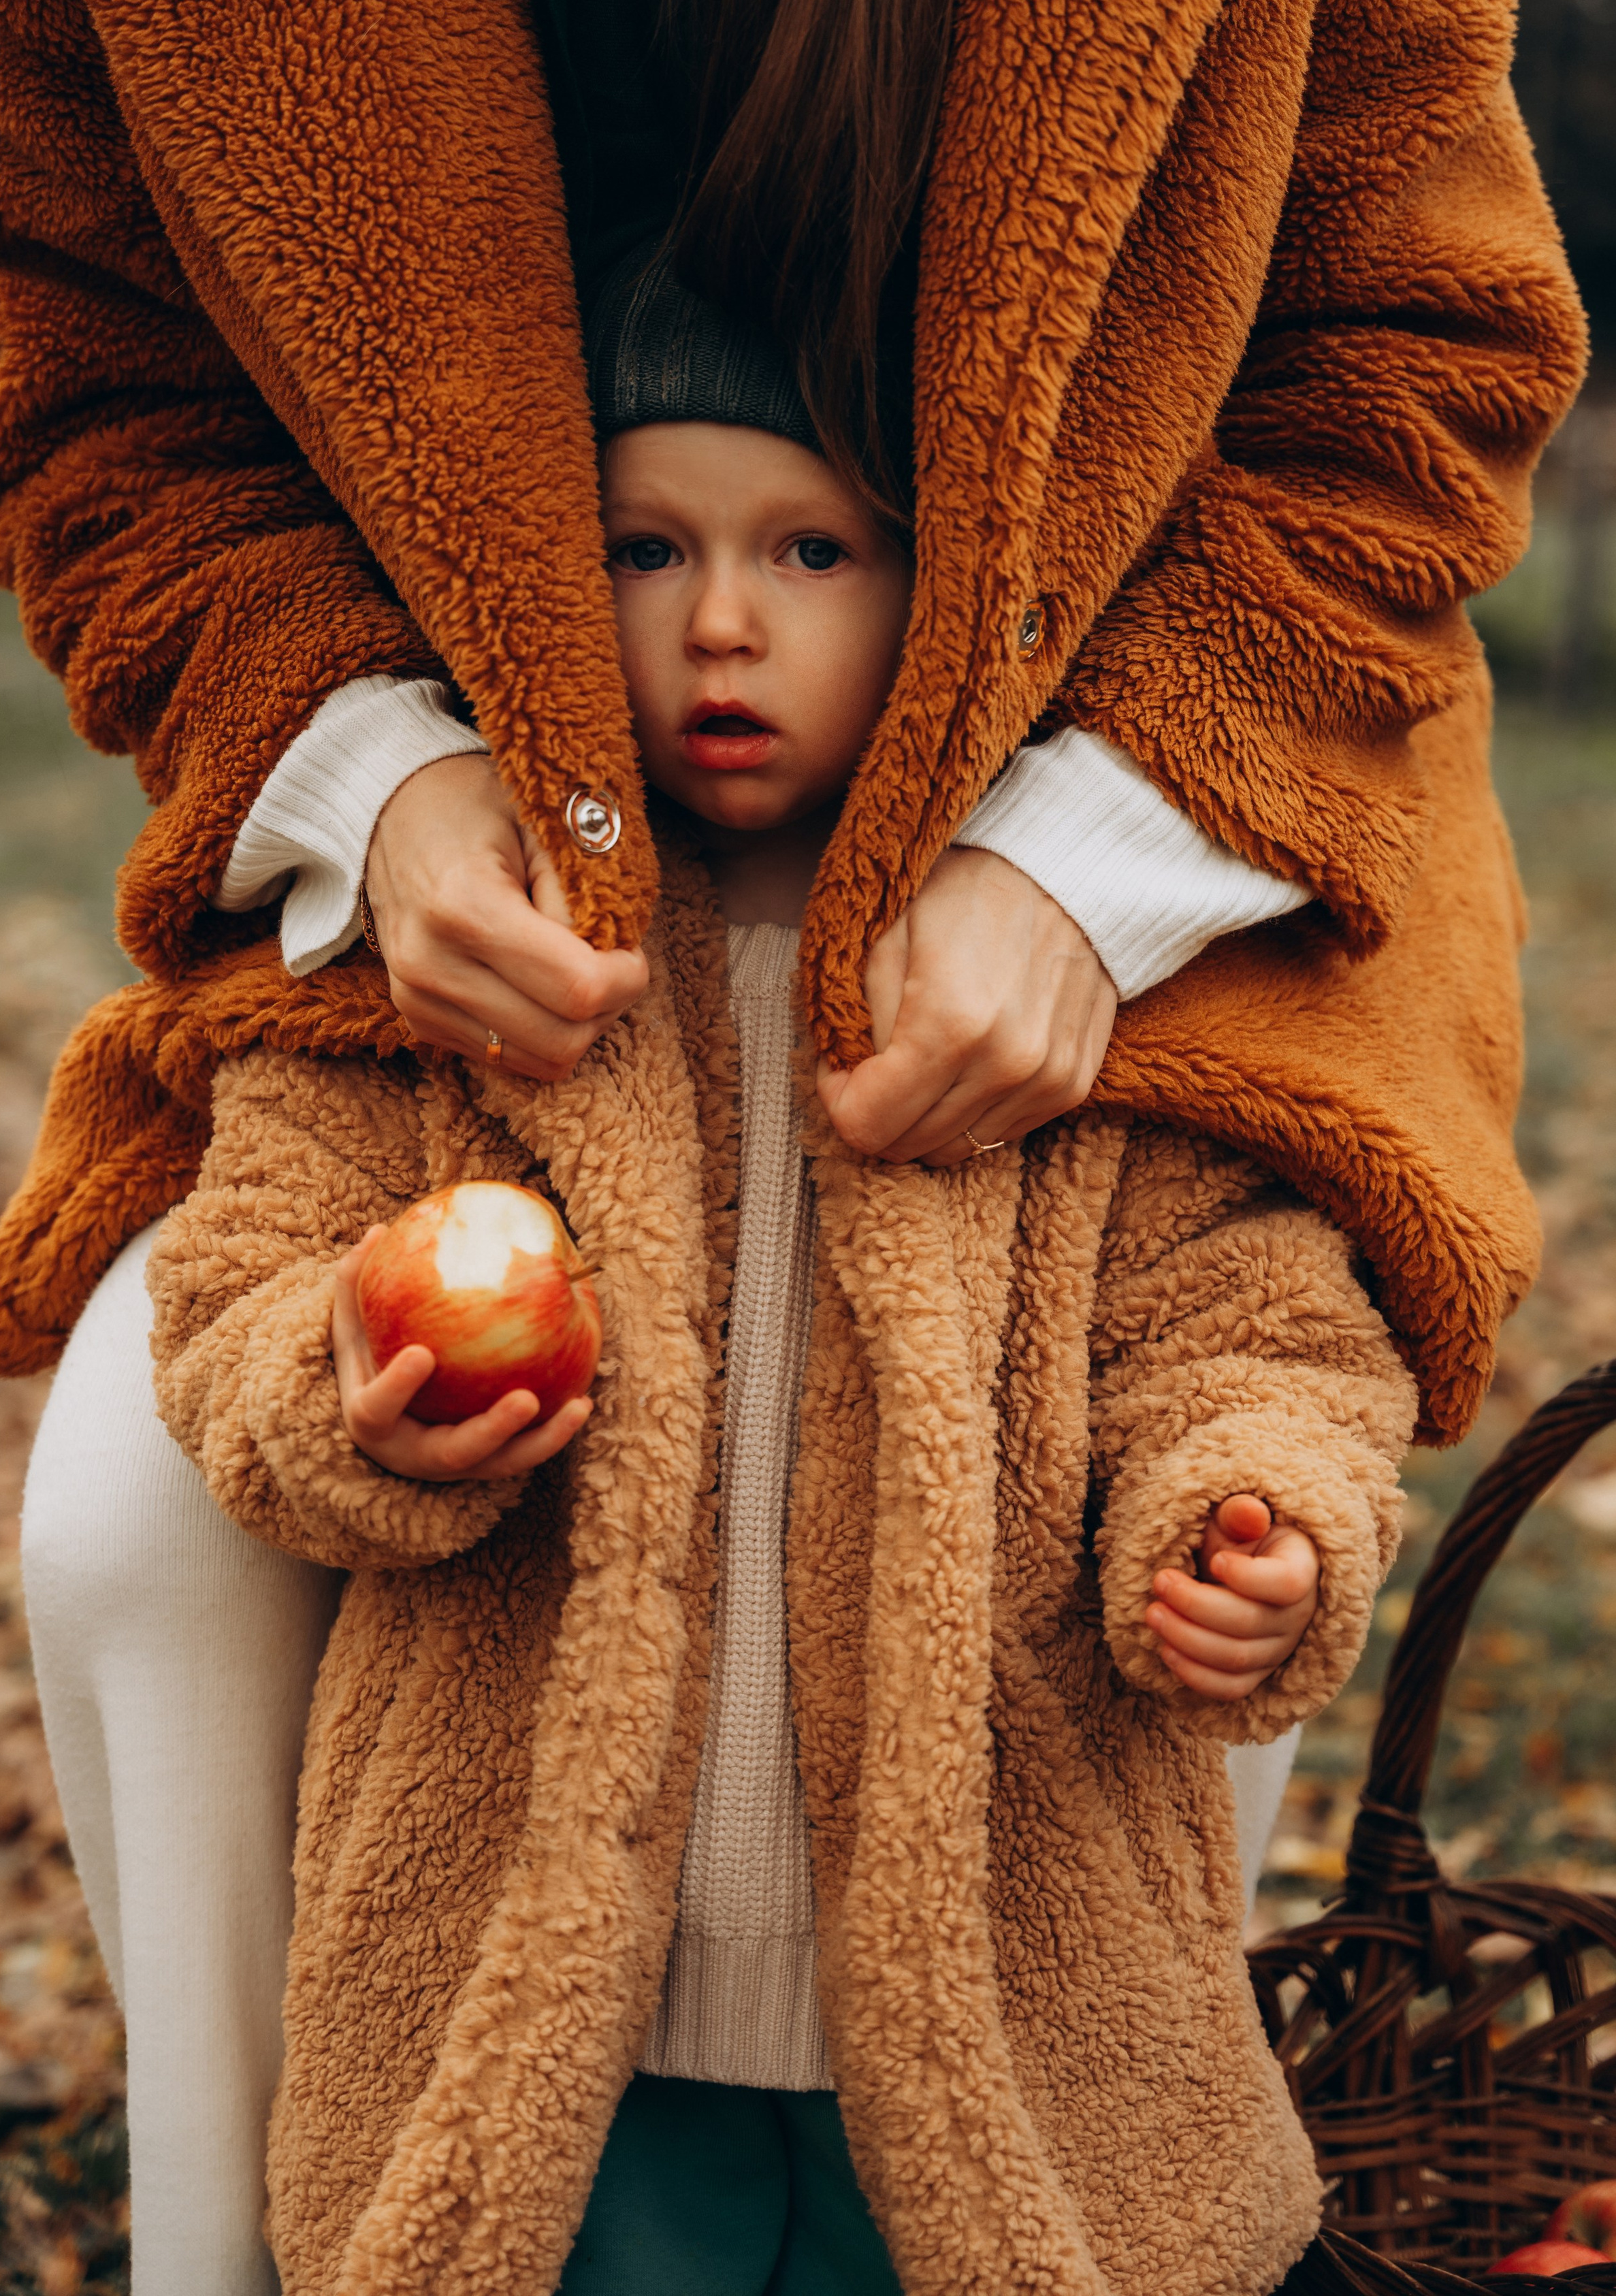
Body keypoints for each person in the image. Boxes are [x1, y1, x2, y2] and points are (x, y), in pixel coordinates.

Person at [0, 0, 1581, 2282]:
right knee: (135, 1531)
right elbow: (93, 383)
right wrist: (361, 766)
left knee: (1091, 1518)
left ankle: (1073, 2137)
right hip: (467, 818)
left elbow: (1414, 356)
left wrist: (1102, 849)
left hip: (1193, 781)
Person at [147, 278, 1415, 2295]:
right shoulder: (462, 969)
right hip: (564, 2018)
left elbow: (1254, 1327)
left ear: (951, 589)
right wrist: (342, 1388)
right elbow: (232, 1293)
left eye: (812, 551)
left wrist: (1246, 1521)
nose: (719, 622)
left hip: (979, 2010)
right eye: (644, 550)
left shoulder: (1057, 997)